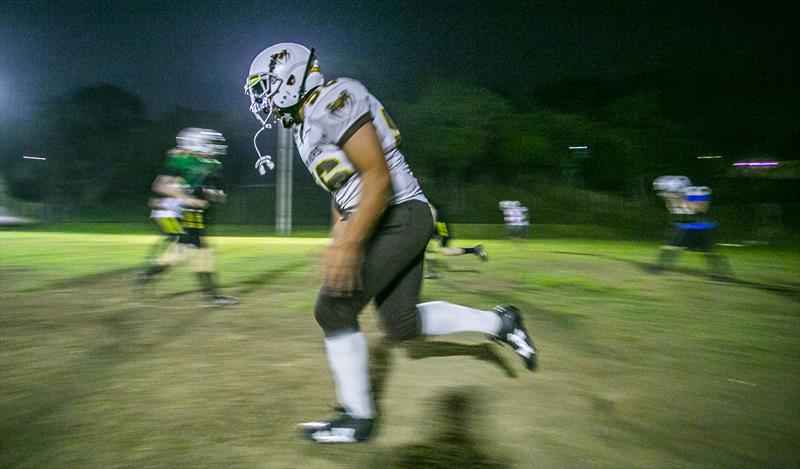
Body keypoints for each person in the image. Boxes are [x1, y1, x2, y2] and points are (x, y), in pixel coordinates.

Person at [244, 43, 537, 443]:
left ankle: (356, 418)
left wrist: (349, 247)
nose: (265, 101)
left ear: (291, 79)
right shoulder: (308, 123)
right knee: (401, 324)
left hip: (398, 214)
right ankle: (501, 323)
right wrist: (338, 237)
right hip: (393, 217)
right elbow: (343, 189)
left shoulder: (333, 98)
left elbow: (377, 177)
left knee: (332, 310)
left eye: (267, 88)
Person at [136, 127, 237, 306]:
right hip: (171, 211)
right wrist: (189, 199)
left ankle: (147, 274)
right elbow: (160, 186)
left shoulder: (212, 164)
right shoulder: (182, 159)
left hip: (188, 211)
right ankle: (212, 296)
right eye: (211, 144)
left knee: (181, 252)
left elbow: (210, 192)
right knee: (201, 250)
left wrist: (213, 195)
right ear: (196, 144)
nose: (215, 147)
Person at [650, 176, 731, 279]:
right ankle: (661, 268)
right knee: (671, 246)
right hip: (687, 225)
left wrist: (687, 204)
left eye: (665, 191)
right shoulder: (676, 198)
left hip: (700, 226)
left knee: (708, 250)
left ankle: (721, 273)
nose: (662, 194)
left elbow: (701, 208)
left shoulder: (694, 193)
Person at [425, 201, 487, 279]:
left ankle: (432, 272)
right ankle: (475, 250)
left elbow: (433, 210)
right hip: (437, 225)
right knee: (432, 249)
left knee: (445, 251)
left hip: (440, 225)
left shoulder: (421, 199)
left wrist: (431, 227)